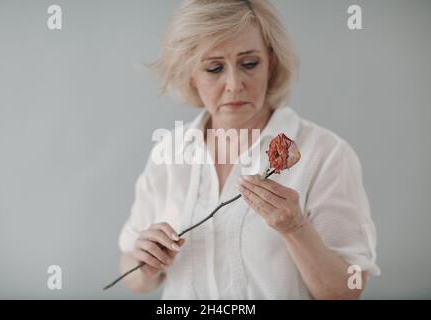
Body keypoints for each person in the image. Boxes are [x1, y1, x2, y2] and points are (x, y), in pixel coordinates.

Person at [117, 0, 380, 299]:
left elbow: (348, 291)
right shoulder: (168, 153)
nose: (234, 84)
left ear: (271, 62)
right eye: (214, 68)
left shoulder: (326, 153)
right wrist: (145, 265)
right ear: (190, 74)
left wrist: (295, 228)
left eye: (249, 63)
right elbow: (132, 276)